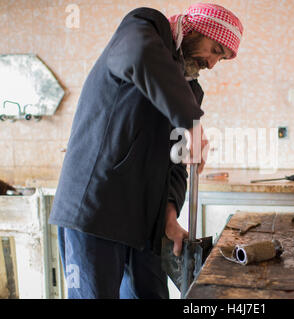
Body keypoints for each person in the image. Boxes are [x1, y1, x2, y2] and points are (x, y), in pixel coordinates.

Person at [48, 3, 243, 299]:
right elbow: (141, 56)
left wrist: (169, 214)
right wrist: (192, 124)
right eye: (215, 49)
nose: (213, 63)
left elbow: (177, 163)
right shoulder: (142, 28)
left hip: (145, 223)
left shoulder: (188, 91)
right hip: (95, 209)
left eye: (222, 58)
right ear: (195, 29)